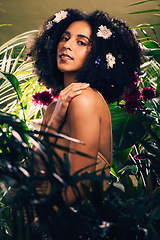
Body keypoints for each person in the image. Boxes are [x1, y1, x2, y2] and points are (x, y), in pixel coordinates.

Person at [28, 9, 142, 205]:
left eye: (81, 42)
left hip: (69, 226)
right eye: (64, 38)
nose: (67, 45)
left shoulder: (85, 100)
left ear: (97, 55)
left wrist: (42, 225)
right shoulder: (54, 109)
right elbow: (33, 175)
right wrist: (54, 119)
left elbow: (79, 189)